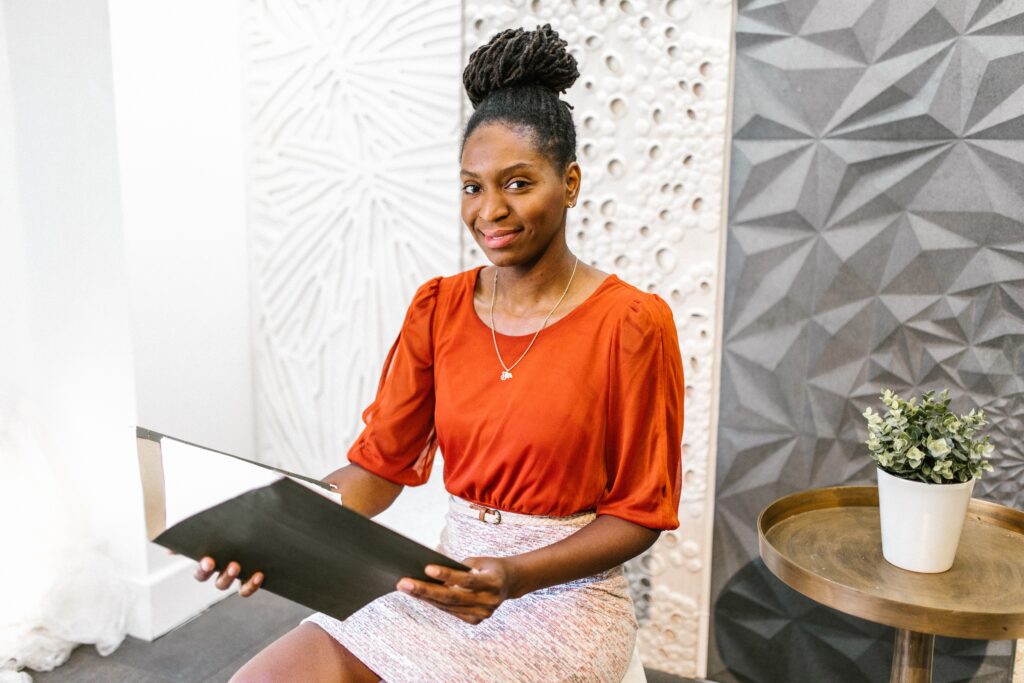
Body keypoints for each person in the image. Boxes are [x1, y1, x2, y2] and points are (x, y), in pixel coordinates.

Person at [195, 24, 685, 683]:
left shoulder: (632, 322)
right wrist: (266, 533)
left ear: (569, 182)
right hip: (449, 582)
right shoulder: (438, 308)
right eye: (471, 186)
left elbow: (638, 514)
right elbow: (380, 468)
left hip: (564, 599)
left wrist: (514, 575)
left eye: (517, 183)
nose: (491, 211)